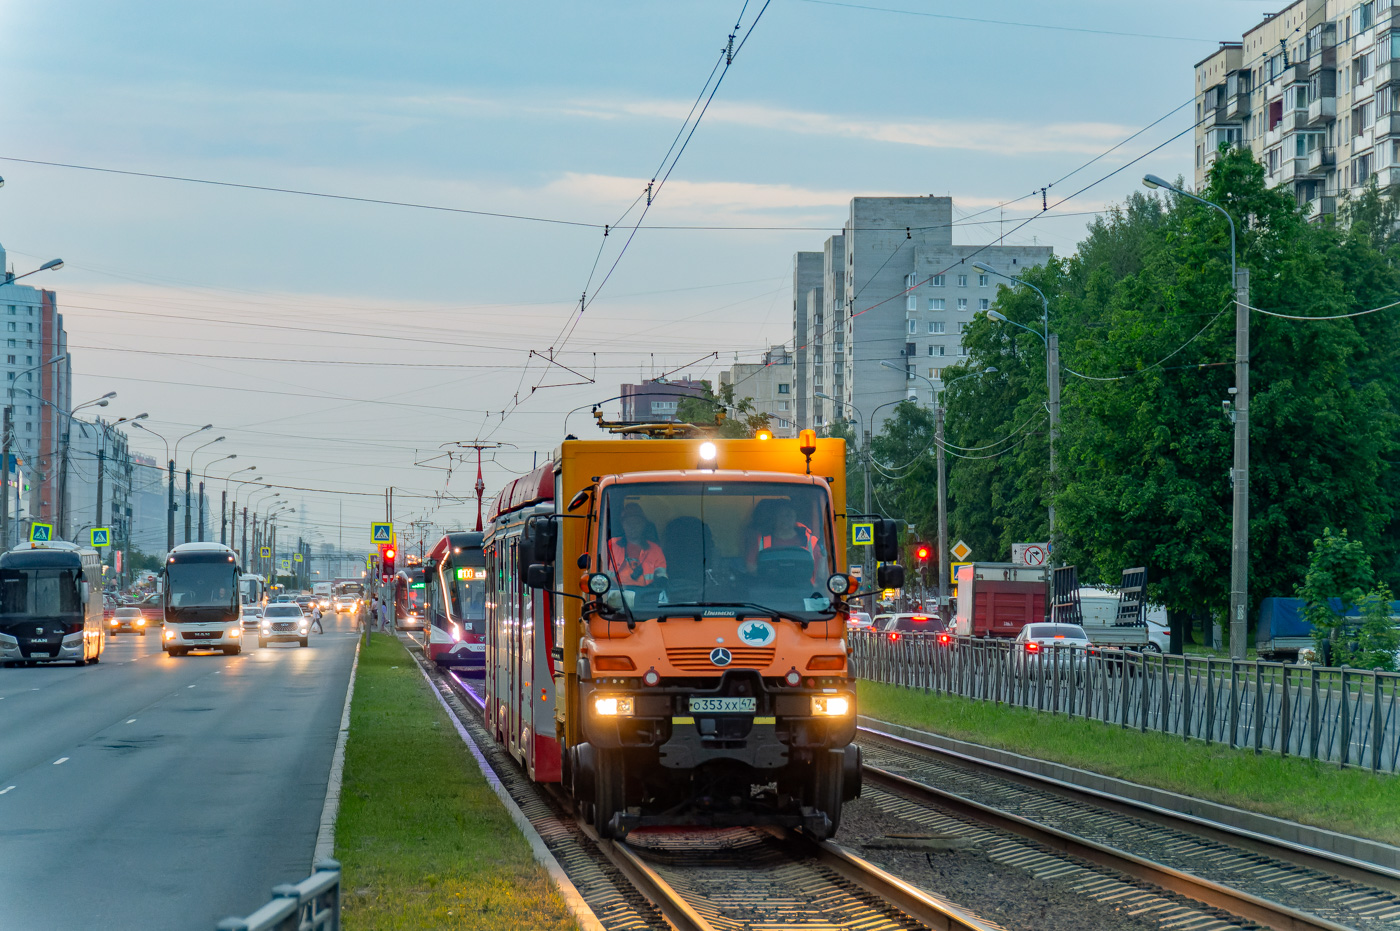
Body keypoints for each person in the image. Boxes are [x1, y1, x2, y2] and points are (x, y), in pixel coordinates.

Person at [606, 501, 667, 587]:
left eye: (636, 522)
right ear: (622, 525)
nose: (632, 527)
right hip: (616, 596)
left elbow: (661, 578)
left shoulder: (655, 549)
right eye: (628, 523)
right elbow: (601, 572)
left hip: (645, 597)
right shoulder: (611, 545)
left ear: (643, 524)